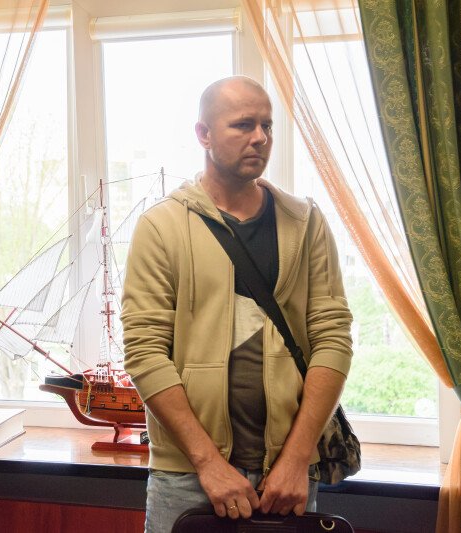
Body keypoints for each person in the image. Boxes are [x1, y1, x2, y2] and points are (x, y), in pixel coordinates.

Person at [121, 76, 353, 533]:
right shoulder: (161, 227)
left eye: (267, 125)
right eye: (243, 125)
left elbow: (334, 339)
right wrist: (208, 464)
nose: (260, 137)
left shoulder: (306, 223)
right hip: (187, 475)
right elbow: (145, 352)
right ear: (203, 135)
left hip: (287, 476)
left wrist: (296, 459)